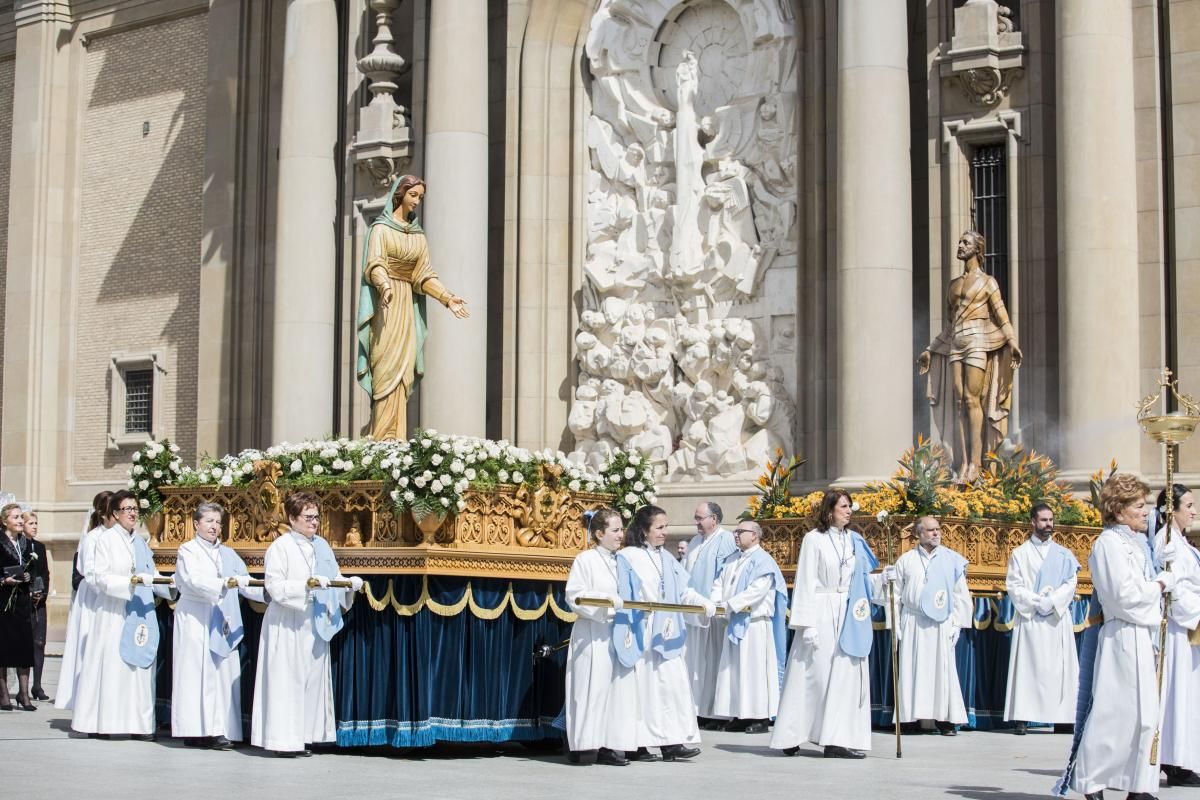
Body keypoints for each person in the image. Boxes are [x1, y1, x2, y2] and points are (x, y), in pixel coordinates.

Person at [1060, 473, 1171, 800]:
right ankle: (1092, 781)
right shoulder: (1108, 545)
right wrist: (1160, 585)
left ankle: (1140, 785)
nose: (1147, 511)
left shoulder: (1135, 544)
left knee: (1145, 719)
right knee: (1114, 715)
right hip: (1122, 637)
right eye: (1139, 505)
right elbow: (1124, 598)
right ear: (1119, 511)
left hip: (1141, 634)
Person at [355, 174, 471, 440]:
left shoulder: (418, 237)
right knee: (385, 367)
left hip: (406, 305)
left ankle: (396, 435)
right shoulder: (380, 230)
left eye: (420, 197)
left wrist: (447, 298)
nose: (417, 201)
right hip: (386, 306)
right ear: (401, 195)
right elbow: (374, 264)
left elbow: (423, 275)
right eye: (413, 195)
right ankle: (380, 435)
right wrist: (384, 286)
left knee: (404, 370)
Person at [251, 492, 363, 756]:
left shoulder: (322, 545)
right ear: (292, 518)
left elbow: (332, 575)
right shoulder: (280, 547)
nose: (314, 522)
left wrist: (348, 584)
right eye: (308, 517)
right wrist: (306, 587)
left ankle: (305, 736)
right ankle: (282, 741)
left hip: (314, 621)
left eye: (316, 517)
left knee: (311, 679)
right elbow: (275, 586)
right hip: (288, 620)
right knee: (286, 679)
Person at [771, 490, 881, 758]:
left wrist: (884, 581)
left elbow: (862, 579)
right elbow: (806, 580)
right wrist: (806, 624)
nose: (849, 510)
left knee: (844, 678)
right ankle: (792, 733)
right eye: (843, 506)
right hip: (821, 611)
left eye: (850, 506)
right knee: (813, 677)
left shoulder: (855, 540)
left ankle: (836, 739)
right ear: (829, 510)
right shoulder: (814, 539)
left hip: (848, 614)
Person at [611, 504, 715, 761]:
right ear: (644, 530)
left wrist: (702, 603)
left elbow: (682, 590)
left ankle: (672, 742)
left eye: (666, 527)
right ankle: (639, 745)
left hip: (667, 629)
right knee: (644, 689)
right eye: (659, 527)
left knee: (672, 687)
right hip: (644, 629)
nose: (664, 532)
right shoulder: (629, 556)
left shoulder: (666, 557)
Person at [917, 230, 1022, 482]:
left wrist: (1013, 342)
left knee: (973, 399)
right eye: (960, 242)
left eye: (966, 242)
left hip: (978, 340)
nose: (960, 246)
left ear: (977, 249)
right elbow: (950, 325)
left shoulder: (988, 282)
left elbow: (1002, 316)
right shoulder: (953, 285)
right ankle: (962, 463)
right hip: (956, 342)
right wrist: (930, 349)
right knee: (959, 403)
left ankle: (976, 463)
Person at [71, 490, 173, 738]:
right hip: (113, 611)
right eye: (127, 509)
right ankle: (105, 723)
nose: (133, 513)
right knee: (113, 667)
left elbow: (152, 571)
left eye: (135, 509)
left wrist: (170, 585)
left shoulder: (139, 542)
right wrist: (132, 582)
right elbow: (97, 577)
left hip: (139, 611)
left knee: (138, 669)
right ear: (115, 514)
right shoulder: (105, 540)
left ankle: (138, 724)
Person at [171, 502, 265, 749]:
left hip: (222, 616)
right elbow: (193, 579)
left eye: (218, 522)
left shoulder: (228, 554)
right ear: (197, 524)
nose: (214, 527)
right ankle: (195, 729)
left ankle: (221, 728)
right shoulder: (187, 550)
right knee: (196, 672)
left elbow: (244, 581)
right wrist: (223, 584)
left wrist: (268, 593)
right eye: (209, 521)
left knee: (222, 672)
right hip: (196, 616)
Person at [878, 515, 971, 735]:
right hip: (913, 620)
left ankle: (945, 720)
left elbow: (960, 595)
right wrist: (895, 624)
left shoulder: (952, 560)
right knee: (912, 670)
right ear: (919, 534)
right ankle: (909, 720)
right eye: (930, 530)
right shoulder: (906, 560)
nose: (936, 533)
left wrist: (957, 625)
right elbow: (895, 594)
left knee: (943, 671)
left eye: (938, 529)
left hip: (941, 623)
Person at [1003, 503, 1080, 734]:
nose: (1049, 525)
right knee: (1029, 667)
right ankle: (1023, 718)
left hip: (1056, 619)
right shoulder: (1020, 553)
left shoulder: (1064, 555)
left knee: (1060, 669)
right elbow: (1014, 585)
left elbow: (1071, 582)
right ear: (1033, 522)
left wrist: (1053, 601)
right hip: (1032, 619)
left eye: (1051, 520)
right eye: (1044, 520)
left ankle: (1063, 718)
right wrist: (1038, 602)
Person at [563, 507, 629, 766]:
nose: (620, 534)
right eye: (615, 530)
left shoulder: (622, 560)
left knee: (614, 690)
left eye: (622, 529)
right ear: (599, 533)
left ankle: (609, 745)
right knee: (590, 688)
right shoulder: (586, 559)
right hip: (593, 632)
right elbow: (575, 595)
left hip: (618, 631)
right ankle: (584, 745)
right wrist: (605, 603)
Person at [709, 520, 787, 734]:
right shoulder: (732, 559)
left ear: (754, 535)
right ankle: (739, 714)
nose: (735, 535)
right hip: (732, 621)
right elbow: (719, 583)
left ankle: (760, 717)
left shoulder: (763, 561)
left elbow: (757, 591)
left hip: (754, 625)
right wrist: (716, 603)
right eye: (735, 531)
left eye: (740, 531)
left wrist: (730, 605)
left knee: (755, 672)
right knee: (734, 671)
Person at [1150, 484, 1200, 787]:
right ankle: (1173, 760)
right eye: (1190, 506)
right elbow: (1174, 591)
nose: (1194, 511)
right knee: (1175, 694)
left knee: (1186, 695)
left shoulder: (1182, 542)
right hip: (1178, 628)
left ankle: (1180, 756)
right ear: (1172, 510)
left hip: (1188, 629)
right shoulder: (1166, 541)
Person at [56, 491, 113, 712]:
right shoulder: (93, 538)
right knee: (88, 645)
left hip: (108, 597)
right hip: (92, 598)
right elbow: (87, 571)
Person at [681, 501, 736, 727]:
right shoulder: (695, 541)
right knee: (695, 662)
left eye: (700, 518)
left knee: (713, 661)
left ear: (714, 519)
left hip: (713, 613)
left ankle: (715, 713)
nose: (696, 523)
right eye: (695, 518)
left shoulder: (726, 540)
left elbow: (725, 575)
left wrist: (713, 603)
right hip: (692, 611)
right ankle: (698, 708)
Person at [0, 503, 35, 711]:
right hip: (3, 601)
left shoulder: (26, 543)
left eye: (21, 517)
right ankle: (3, 695)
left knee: (25, 646)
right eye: (15, 517)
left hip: (22, 600)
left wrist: (29, 578)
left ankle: (24, 694)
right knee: (4, 646)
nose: (20, 521)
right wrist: (4, 580)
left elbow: (34, 568)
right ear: (5, 521)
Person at [24, 510, 50, 701]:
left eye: (36, 523)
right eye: (30, 523)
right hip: (24, 600)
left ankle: (37, 685)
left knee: (39, 643)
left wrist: (42, 594)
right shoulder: (19, 546)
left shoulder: (39, 547)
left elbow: (45, 573)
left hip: (39, 601)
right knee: (24, 643)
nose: (34, 527)